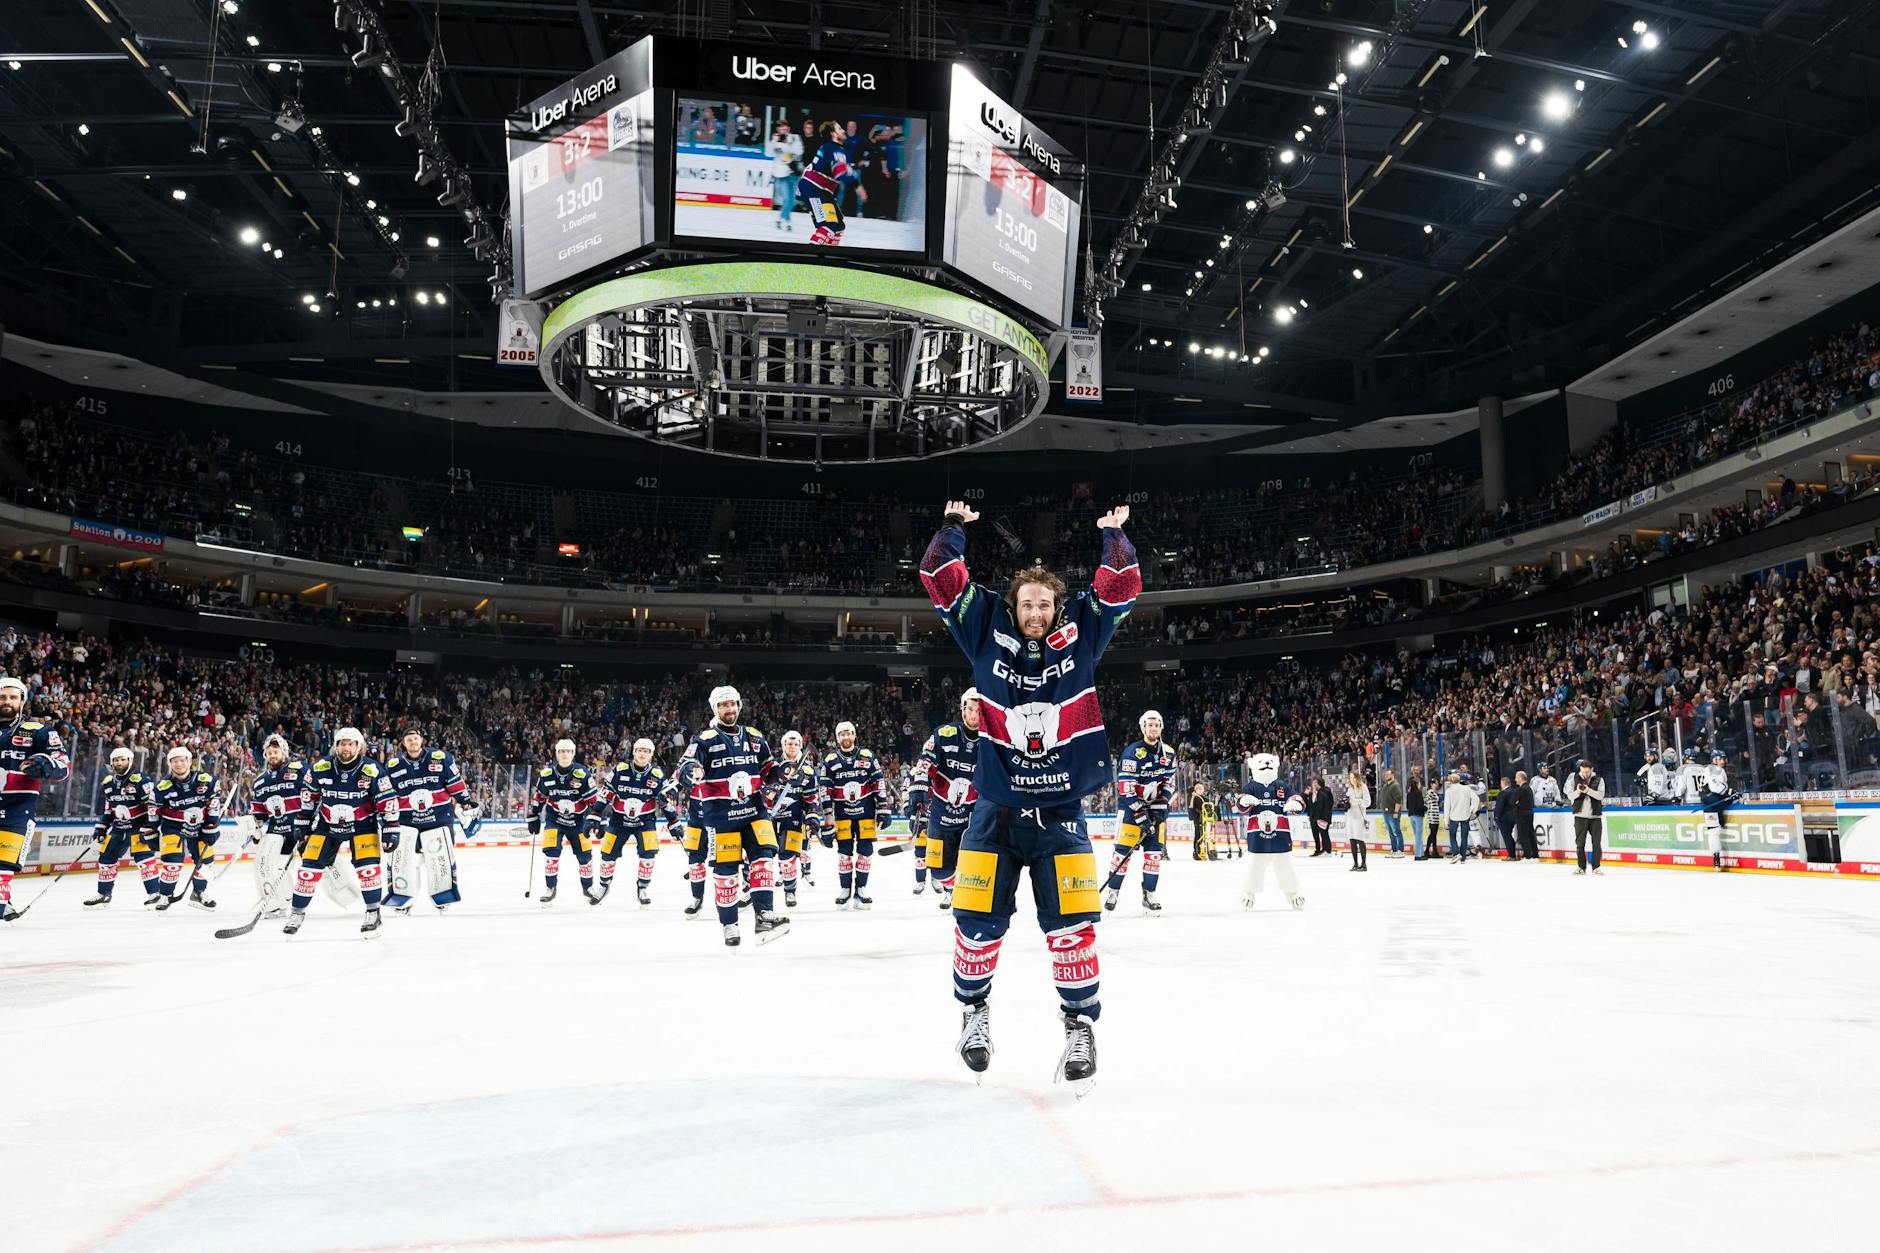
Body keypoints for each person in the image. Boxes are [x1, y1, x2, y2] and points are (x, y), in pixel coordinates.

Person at [918, 496, 1138, 1090]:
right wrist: (954, 528)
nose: (1035, 612)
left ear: (1056, 608)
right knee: (974, 925)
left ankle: (1078, 1027)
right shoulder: (984, 634)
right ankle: (973, 1013)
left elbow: (1120, 591)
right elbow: (940, 580)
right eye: (1026, 603)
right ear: (1011, 606)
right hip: (994, 811)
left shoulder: (1081, 639)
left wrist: (1114, 540)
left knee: (1073, 927)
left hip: (1061, 813)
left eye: (1044, 604)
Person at [675, 686, 789, 946]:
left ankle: (765, 916)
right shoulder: (704, 739)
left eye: (733, 704)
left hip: (755, 812)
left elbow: (768, 767)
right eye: (724, 705)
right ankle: (729, 925)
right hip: (720, 817)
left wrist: (780, 771)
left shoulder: (755, 736)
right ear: (715, 709)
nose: (730, 709)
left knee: (763, 859)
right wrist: (691, 771)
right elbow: (686, 766)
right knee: (726, 875)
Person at [286, 727, 392, 937]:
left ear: (358, 747)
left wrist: (391, 829)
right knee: (308, 868)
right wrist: (302, 825)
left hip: (363, 826)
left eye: (350, 744)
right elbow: (308, 797)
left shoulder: (372, 769)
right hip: (327, 826)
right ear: (336, 746)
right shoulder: (321, 767)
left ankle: (373, 913)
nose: (345, 748)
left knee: (368, 869)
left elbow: (387, 801)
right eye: (342, 743)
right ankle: (297, 913)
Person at [382, 727, 475, 913]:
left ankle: (443, 897)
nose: (413, 742)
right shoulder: (393, 765)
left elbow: (455, 783)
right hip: (407, 820)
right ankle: (404, 899)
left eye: (416, 738)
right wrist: (385, 819)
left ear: (422, 740)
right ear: (403, 743)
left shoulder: (441, 758)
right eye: (409, 740)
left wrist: (466, 801)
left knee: (439, 858)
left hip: (439, 818)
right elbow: (387, 794)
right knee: (406, 860)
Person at [908, 689, 982, 911]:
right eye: (970, 709)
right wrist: (918, 792)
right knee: (939, 871)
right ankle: (953, 890)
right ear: (962, 709)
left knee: (972, 865)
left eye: (979, 711)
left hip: (972, 816)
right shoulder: (944, 733)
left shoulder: (991, 741)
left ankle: (961, 896)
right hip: (941, 815)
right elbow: (924, 764)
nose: (974, 715)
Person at [1104, 709, 1177, 912]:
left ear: (1161, 727)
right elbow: (1126, 787)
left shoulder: (1169, 753)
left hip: (1155, 810)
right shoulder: (1132, 752)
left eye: (1156, 724)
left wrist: (1163, 802)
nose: (1153, 728)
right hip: (1130, 810)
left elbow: (1170, 782)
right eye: (1149, 724)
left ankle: (1149, 893)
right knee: (1121, 855)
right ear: (1143, 727)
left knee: (1154, 855)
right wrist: (1139, 813)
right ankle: (1113, 891)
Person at [819, 719, 886, 909]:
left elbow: (878, 782)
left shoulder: (867, 755)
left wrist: (882, 809)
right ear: (837, 738)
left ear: (854, 735)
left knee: (865, 853)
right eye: (842, 734)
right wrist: (828, 817)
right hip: (842, 817)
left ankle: (861, 890)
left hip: (866, 814)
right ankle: (845, 890)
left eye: (848, 733)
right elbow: (825, 789)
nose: (846, 736)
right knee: (844, 854)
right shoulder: (831, 760)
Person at [595, 738, 669, 907]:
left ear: (651, 755)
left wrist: (673, 821)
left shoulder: (657, 774)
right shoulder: (621, 769)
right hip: (618, 820)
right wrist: (595, 813)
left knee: (648, 855)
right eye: (640, 750)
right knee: (607, 854)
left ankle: (642, 888)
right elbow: (606, 792)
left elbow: (665, 800)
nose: (643, 753)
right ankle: (604, 886)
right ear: (634, 752)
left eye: (647, 751)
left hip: (645, 821)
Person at [83, 746, 158, 908]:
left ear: (130, 761)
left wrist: (150, 827)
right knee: (106, 858)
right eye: (116, 760)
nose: (119, 763)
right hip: (118, 827)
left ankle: (155, 894)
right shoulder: (109, 783)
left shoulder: (142, 780)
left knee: (143, 858)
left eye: (123, 759)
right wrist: (102, 827)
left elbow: (152, 806)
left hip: (138, 827)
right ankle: (103, 894)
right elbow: (109, 808)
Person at [528, 738, 600, 905]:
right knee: (551, 854)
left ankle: (588, 888)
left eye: (568, 751)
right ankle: (550, 889)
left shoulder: (582, 774)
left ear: (573, 754)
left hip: (579, 822)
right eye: (561, 751)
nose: (565, 754)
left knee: (585, 856)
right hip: (554, 820)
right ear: (557, 754)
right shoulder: (547, 775)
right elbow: (539, 797)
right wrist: (534, 816)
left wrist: (598, 819)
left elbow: (594, 801)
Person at [151, 746, 222, 910]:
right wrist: (151, 831)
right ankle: (165, 895)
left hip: (200, 827)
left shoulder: (206, 780)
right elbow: (153, 810)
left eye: (182, 760)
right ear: (170, 764)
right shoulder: (163, 786)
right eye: (175, 761)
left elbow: (213, 804)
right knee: (172, 862)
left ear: (189, 762)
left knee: (206, 863)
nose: (179, 764)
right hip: (173, 826)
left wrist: (211, 826)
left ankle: (199, 892)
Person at [246, 734, 308, 919]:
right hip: (277, 831)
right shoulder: (260, 781)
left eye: (276, 751)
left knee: (321, 866)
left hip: (301, 828)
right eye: (269, 752)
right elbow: (259, 813)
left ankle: (351, 893)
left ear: (284, 752)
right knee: (270, 866)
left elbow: (314, 795)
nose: (272, 755)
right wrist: (254, 828)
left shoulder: (299, 769)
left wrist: (312, 822)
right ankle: (278, 903)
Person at [1234, 752, 1305, 910]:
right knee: (1255, 865)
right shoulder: (1251, 787)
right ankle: (1248, 893)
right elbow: (1239, 804)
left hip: (1281, 834)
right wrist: (1243, 801)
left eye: (1269, 762)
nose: (1266, 764)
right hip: (1257, 836)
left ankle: (1292, 893)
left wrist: (1296, 804)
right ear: (1253, 765)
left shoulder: (1281, 786)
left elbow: (1295, 797)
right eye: (1261, 762)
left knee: (1285, 864)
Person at [766, 730, 819, 907]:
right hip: (769, 818)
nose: (793, 746)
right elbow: (762, 789)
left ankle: (790, 892)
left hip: (793, 819)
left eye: (796, 744)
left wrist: (812, 817)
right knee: (763, 855)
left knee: (787, 857)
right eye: (789, 743)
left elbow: (811, 798)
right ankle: (754, 889)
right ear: (783, 745)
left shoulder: (808, 771)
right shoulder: (772, 767)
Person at [799, 120, 856, 246]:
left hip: (822, 192)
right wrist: (855, 183)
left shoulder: (836, 149)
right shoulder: (832, 148)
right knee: (828, 225)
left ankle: (829, 254)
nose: (843, 131)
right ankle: (810, 257)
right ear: (833, 134)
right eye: (840, 128)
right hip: (813, 189)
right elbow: (840, 172)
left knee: (838, 226)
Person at [1567, 758, 1606, 875]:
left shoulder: (1599, 780)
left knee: (1597, 844)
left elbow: (1600, 796)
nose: (1585, 774)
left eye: (1587, 772)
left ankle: (1596, 867)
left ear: (1592, 770)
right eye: (1583, 772)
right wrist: (1578, 792)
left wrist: (1588, 790)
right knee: (1580, 844)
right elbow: (1570, 796)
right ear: (1580, 769)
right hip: (1580, 816)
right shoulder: (1574, 779)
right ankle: (1581, 867)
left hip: (1595, 817)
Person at [766, 119, 803, 232]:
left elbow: (799, 151)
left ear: (789, 128)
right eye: (781, 127)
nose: (784, 129)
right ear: (778, 129)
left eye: (785, 127)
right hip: (781, 174)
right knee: (787, 199)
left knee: (791, 200)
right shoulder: (775, 141)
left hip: (793, 172)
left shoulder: (795, 137)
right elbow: (768, 153)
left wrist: (787, 145)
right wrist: (773, 142)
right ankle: (786, 221)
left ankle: (780, 219)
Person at [1442, 769, 1478, 863]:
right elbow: (1476, 799)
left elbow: (1447, 807)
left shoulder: (1449, 791)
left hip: (1454, 816)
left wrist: (1446, 821)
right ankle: (1463, 858)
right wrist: (1473, 810)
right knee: (1464, 836)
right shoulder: (1466, 788)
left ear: (1450, 781)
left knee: (1452, 835)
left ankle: (1456, 853)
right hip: (1465, 815)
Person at [1344, 769, 1370, 871]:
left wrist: (1357, 802)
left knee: (1360, 839)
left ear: (1357, 778)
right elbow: (1348, 800)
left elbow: (1368, 802)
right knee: (1352, 839)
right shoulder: (1350, 789)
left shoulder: (1363, 787)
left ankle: (1363, 864)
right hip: (1350, 816)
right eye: (1351, 778)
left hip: (1359, 817)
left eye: (1354, 778)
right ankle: (1355, 863)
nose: (1352, 780)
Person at [1510, 769, 1539, 861]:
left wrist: (1517, 804)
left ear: (1520, 778)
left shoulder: (1521, 789)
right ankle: (1535, 855)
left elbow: (1512, 802)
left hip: (1522, 815)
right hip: (1529, 814)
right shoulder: (1529, 789)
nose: (1515, 780)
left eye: (1516, 778)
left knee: (1523, 835)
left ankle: (1528, 855)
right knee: (1530, 834)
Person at [1378, 767, 1405, 858]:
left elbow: (1398, 800)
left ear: (1392, 775)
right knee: (1391, 833)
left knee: (1397, 832)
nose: (1386, 776)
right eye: (1385, 775)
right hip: (1386, 813)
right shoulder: (1386, 786)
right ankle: (1394, 850)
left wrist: (1396, 812)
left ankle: (1400, 850)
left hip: (1393, 813)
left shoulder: (1395, 785)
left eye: (1388, 774)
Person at [1306, 776, 1334, 857]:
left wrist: (1320, 817)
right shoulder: (1312, 794)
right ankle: (1318, 850)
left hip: (1322, 818)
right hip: (1314, 818)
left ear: (1318, 784)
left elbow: (1324, 806)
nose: (1313, 785)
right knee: (1316, 834)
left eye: (1314, 783)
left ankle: (1327, 850)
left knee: (1324, 834)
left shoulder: (1324, 792)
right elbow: (1310, 805)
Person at [1493, 776, 1520, 861]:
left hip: (1504, 818)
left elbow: (1500, 806)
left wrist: (1496, 816)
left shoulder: (1503, 793)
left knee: (1507, 836)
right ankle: (1512, 854)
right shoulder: (1514, 791)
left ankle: (1511, 855)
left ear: (1503, 783)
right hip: (1513, 816)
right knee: (1509, 835)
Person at [1407, 769, 1430, 859]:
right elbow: (1420, 806)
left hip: (1411, 816)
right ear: (1417, 784)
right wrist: (1426, 807)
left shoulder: (1409, 794)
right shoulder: (1418, 793)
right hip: (1418, 816)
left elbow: (1408, 806)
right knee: (1418, 836)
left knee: (1417, 835)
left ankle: (1421, 853)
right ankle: (1418, 855)